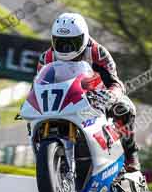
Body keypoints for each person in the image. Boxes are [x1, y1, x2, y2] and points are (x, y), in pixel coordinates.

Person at [36, 12, 140, 171]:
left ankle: (130, 154)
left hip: (95, 96)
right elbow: (38, 86)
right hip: (63, 99)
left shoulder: (98, 53)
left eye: (72, 43)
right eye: (60, 42)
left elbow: (115, 82)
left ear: (84, 38)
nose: (66, 48)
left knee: (125, 108)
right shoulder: (47, 58)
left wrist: (111, 95)